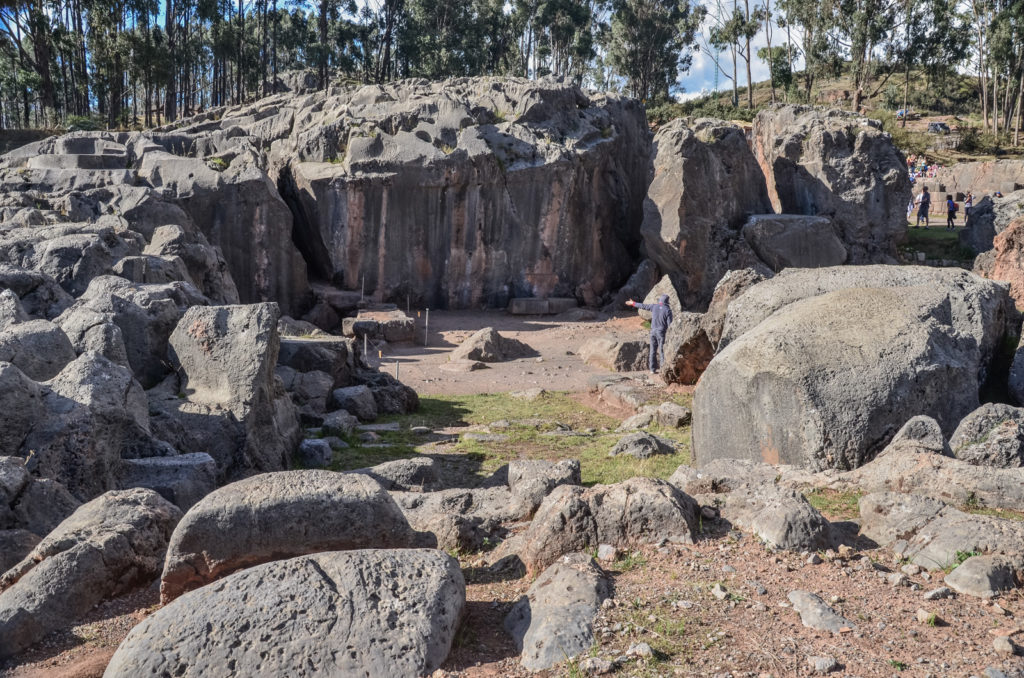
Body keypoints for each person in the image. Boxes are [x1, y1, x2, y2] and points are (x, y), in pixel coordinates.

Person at [626, 294, 673, 374]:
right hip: (661, 332)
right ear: (667, 302)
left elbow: (643, 306)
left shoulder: (654, 306)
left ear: (660, 301)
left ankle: (652, 369)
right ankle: (662, 370)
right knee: (662, 351)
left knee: (652, 351)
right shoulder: (668, 310)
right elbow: (670, 325)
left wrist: (633, 303)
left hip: (653, 331)